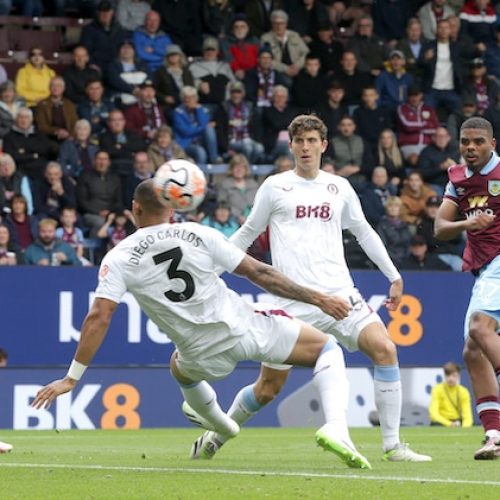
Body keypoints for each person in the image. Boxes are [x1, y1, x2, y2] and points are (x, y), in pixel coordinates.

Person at [31, 177, 372, 470]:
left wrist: (71, 378)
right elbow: (261, 273)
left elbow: (99, 316)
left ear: (135, 209)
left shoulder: (119, 257)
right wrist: (320, 299)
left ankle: (222, 425)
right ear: (172, 206)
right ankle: (336, 427)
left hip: (197, 353)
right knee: (327, 348)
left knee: (179, 369)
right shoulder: (198, 233)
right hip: (245, 330)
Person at [194, 114, 432, 463]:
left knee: (385, 349)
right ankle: (216, 436)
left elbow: (364, 232)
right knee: (268, 388)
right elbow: (246, 234)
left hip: (341, 294)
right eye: (299, 141)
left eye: (311, 141)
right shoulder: (275, 187)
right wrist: (213, 269)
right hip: (292, 301)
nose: (305, 147)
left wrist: (393, 275)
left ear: (324, 145)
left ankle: (393, 446)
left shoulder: (339, 187)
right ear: (290, 146)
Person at [434, 116, 500, 459]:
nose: (470, 148)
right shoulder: (457, 179)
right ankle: (494, 434)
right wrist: (467, 222)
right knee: (473, 350)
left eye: (477, 142)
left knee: (479, 326)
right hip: (484, 268)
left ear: (492, 143)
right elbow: (440, 228)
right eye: (465, 142)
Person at [76, 150, 126, 237]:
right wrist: (98, 212)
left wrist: (109, 211)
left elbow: (118, 200)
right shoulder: (85, 176)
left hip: (111, 213)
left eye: (105, 159)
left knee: (126, 221)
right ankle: (95, 249)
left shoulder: (115, 178)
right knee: (100, 223)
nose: (102, 162)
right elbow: (82, 201)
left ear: (109, 162)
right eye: (99, 159)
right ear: (94, 161)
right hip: (91, 214)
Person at [260, 9, 310, 89]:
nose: (279, 26)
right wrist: (286, 69)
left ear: (286, 24)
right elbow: (267, 60)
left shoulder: (294, 35)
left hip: (297, 68)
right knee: (287, 82)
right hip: (278, 70)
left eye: (281, 23)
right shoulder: (265, 38)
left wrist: (298, 65)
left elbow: (306, 53)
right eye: (276, 23)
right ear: (272, 24)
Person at [34, 76, 79, 147]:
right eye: (53, 85)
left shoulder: (70, 105)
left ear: (63, 89)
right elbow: (41, 126)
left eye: (58, 86)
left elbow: (75, 123)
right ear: (49, 88)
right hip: (49, 137)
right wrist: (57, 131)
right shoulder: (42, 104)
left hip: (68, 137)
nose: (55, 88)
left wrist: (70, 135)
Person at [429, 361, 473, 428]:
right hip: (440, 423)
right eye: (448, 375)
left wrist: (465, 427)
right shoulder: (437, 389)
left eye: (454, 375)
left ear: (458, 376)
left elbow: (467, 416)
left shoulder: (463, 391)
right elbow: (433, 414)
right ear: (444, 375)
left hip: (456, 421)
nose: (450, 378)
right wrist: (449, 424)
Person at [132, 10, 172, 75]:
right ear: (145, 22)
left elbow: (169, 53)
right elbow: (139, 54)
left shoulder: (165, 37)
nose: (153, 23)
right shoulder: (137, 35)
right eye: (150, 20)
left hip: (163, 69)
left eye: (156, 20)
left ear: (159, 22)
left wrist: (154, 50)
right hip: (143, 69)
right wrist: (161, 57)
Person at [376, 196, 412, 267]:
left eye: (396, 206)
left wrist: (407, 257)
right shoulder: (382, 226)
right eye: (390, 206)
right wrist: (396, 258)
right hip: (390, 260)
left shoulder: (404, 225)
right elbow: (383, 246)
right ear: (387, 208)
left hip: (406, 260)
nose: (393, 209)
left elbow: (409, 244)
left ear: (400, 209)